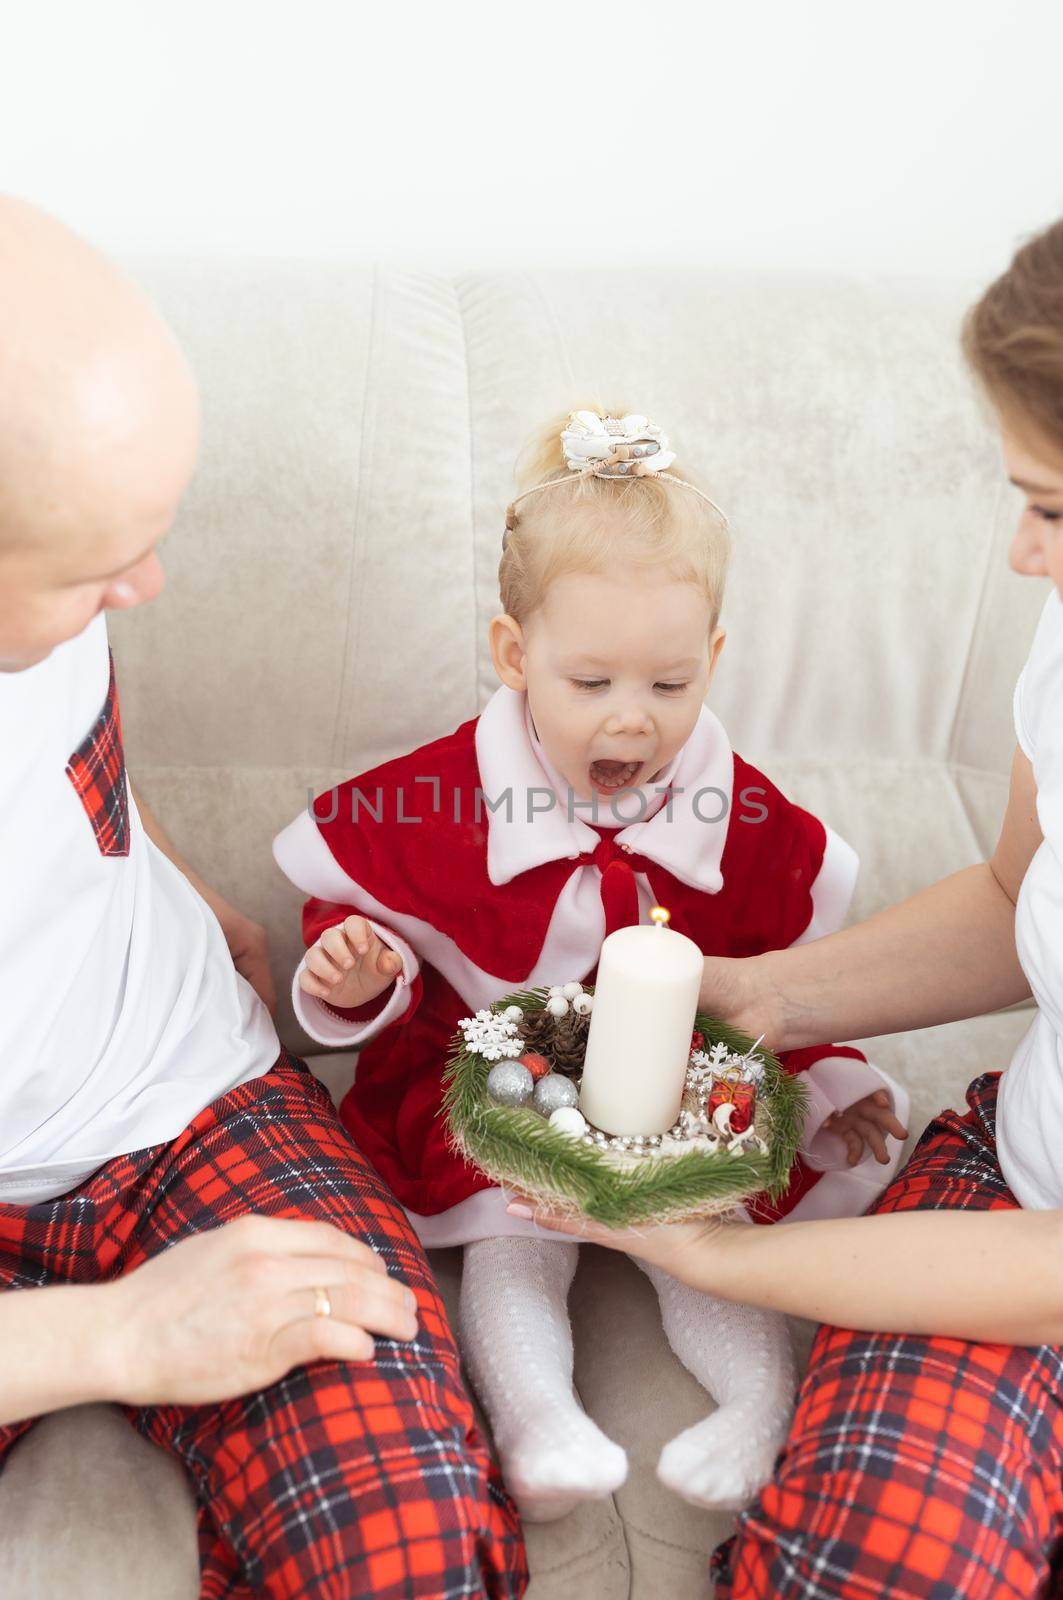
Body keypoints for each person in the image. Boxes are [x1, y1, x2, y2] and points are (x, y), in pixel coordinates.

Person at [510, 221, 1063, 1599]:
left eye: (1052, 507)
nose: (1014, 554)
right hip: (1019, 1185)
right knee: (859, 1569)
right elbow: (1014, 894)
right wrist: (772, 994)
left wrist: (711, 1255)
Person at [0, 195, 526, 1600]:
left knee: (408, 1553)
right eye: (96, 570)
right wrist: (121, 1337)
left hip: (193, 1105)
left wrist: (152, 864)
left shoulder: (49, 591)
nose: (150, 586)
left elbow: (55, 737)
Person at [273, 405, 908, 1523]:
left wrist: (833, 1079)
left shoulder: (743, 812)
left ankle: (754, 1410)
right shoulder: (436, 796)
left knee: (703, 1229)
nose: (634, 721)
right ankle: (537, 1420)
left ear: (711, 659)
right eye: (591, 683)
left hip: (672, 1080)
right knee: (520, 1225)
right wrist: (357, 973)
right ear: (516, 656)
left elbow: (797, 968)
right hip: (498, 1077)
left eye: (669, 686)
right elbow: (363, 915)